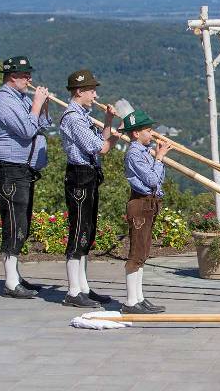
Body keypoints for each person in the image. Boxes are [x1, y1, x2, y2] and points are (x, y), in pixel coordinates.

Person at [0, 56, 50, 299]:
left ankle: (15, 276)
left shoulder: (21, 98)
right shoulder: (2, 101)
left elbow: (40, 123)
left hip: (22, 170)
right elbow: (25, 130)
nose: (30, 79)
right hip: (8, 170)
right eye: (25, 75)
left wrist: (42, 105)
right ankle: (11, 282)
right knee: (14, 223)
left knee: (22, 223)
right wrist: (36, 103)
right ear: (12, 77)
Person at [59, 69, 119, 308]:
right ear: (79, 91)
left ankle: (83, 287)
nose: (95, 94)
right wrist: (119, 134)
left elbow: (100, 142)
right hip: (79, 176)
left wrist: (109, 123)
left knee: (88, 230)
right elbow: (100, 148)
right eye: (91, 90)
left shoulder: (82, 115)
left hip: (89, 174)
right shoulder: (73, 117)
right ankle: (74, 291)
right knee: (79, 230)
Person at [120, 109, 171, 314]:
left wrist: (157, 158)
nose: (151, 134)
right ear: (135, 134)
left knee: (144, 251)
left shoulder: (144, 151)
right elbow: (151, 180)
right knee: (136, 252)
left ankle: (139, 297)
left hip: (149, 203)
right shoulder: (134, 153)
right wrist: (159, 158)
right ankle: (131, 302)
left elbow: (158, 179)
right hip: (140, 204)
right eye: (148, 130)